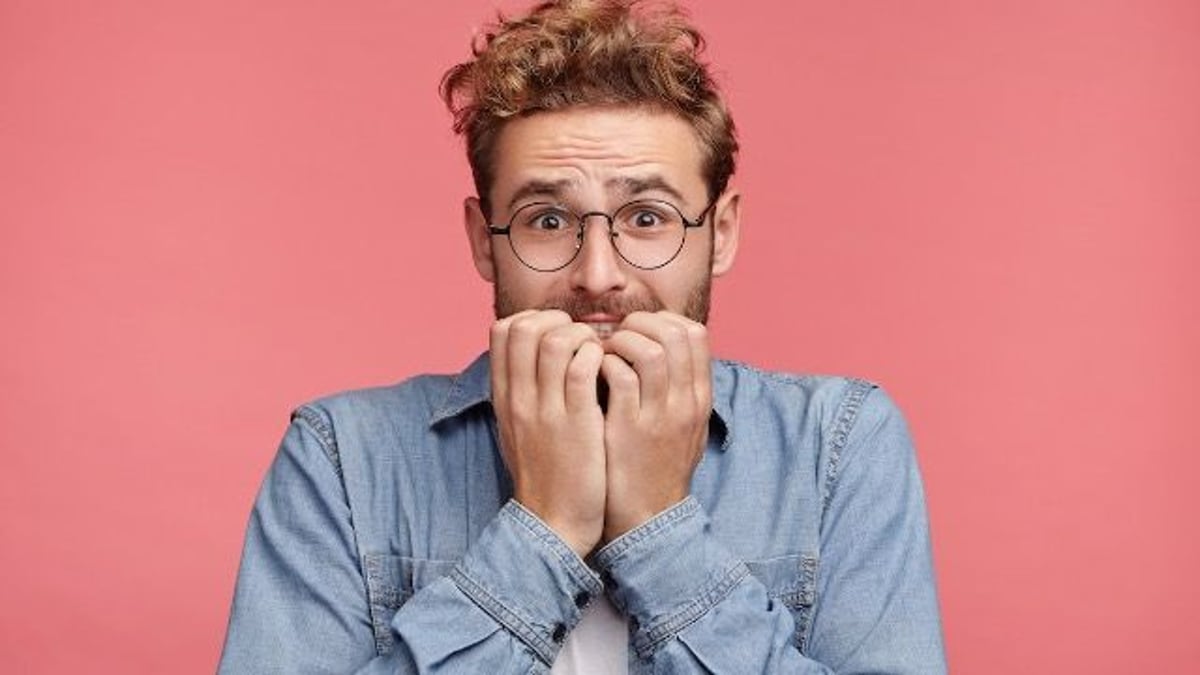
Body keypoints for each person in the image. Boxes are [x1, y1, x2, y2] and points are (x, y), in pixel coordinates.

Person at [218, 0, 946, 672]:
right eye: (547, 220)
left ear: (721, 233)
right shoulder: (343, 459)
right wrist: (545, 527)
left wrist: (660, 528)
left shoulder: (838, 445)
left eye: (648, 217)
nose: (598, 275)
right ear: (483, 240)